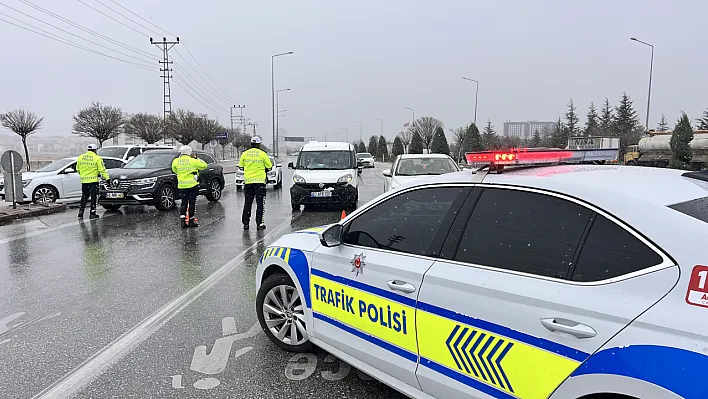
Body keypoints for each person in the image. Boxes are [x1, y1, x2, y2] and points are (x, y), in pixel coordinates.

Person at [239, 136, 272, 230]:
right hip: (260, 182)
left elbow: (241, 167)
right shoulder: (262, 154)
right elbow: (269, 166)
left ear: (251, 144)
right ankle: (259, 223)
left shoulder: (245, 154)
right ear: (259, 144)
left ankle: (246, 223)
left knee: (247, 203)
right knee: (260, 203)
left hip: (248, 182)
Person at [171, 145, 207, 228]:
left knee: (183, 203)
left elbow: (174, 170)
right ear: (189, 152)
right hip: (192, 185)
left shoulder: (176, 161)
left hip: (181, 185)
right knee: (192, 203)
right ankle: (191, 220)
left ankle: (183, 221)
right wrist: (195, 158)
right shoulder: (192, 161)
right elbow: (204, 165)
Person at [77, 144, 110, 219]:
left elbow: (78, 169)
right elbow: (102, 170)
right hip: (93, 181)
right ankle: (92, 213)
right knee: (93, 197)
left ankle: (81, 212)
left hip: (84, 181)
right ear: (95, 150)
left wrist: (83, 175)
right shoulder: (97, 158)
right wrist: (107, 179)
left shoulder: (81, 157)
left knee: (84, 196)